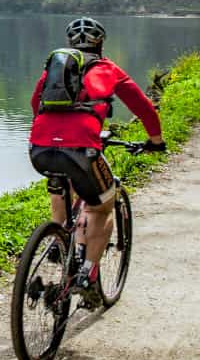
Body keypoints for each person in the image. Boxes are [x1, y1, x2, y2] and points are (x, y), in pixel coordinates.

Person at [28, 17, 166, 300]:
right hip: (81, 150)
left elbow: (35, 103)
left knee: (61, 182)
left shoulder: (55, 67)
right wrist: (156, 142)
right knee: (102, 206)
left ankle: (58, 238)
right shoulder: (107, 69)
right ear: (101, 43)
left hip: (40, 148)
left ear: (70, 44)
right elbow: (143, 108)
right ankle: (88, 276)